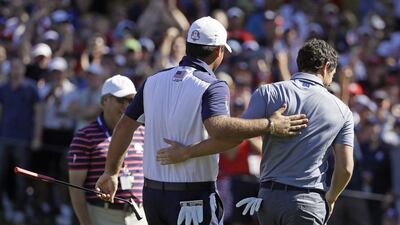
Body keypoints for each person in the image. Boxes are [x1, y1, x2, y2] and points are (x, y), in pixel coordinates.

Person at [95, 16, 308, 225]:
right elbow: (220, 129)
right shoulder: (213, 85)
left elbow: (124, 126)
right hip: (192, 197)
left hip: (152, 196)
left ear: (188, 46)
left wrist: (111, 171)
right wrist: (270, 125)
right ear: (218, 51)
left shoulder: (153, 80)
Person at [156, 39, 355, 225]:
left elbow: (231, 138)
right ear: (326, 66)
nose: (330, 80)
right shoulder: (342, 110)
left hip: (268, 200)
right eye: (332, 74)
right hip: (309, 202)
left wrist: (187, 152)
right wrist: (331, 198)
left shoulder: (269, 92)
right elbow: (345, 168)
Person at [68, 75, 147, 225]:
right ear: (105, 101)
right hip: (102, 215)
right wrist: (85, 222)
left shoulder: (142, 132)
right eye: (120, 100)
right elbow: (76, 188)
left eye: (130, 101)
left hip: (139, 215)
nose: (126, 106)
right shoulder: (84, 136)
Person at [0, 58, 43, 224]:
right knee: (1, 174)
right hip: (4, 137)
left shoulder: (31, 87)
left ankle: (19, 209)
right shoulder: (3, 88)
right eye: (13, 67)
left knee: (21, 178)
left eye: (18, 67)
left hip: (23, 139)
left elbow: (39, 112)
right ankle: (5, 207)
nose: (16, 70)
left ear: (23, 70)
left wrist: (37, 136)